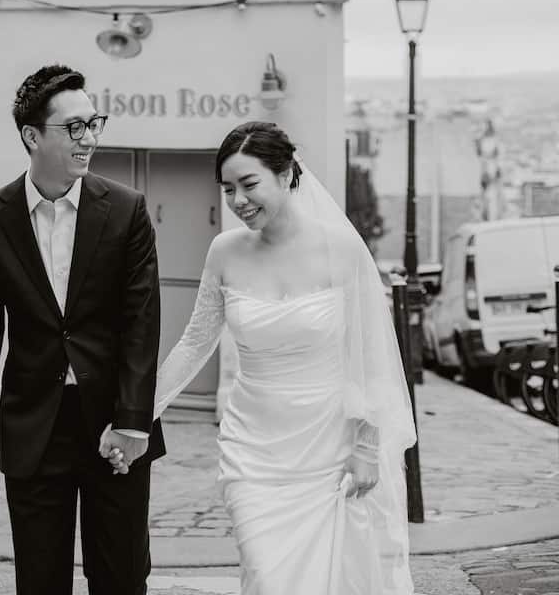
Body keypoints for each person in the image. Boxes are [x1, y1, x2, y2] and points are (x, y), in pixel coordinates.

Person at [105, 120, 416, 595]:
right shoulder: (224, 251)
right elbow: (194, 344)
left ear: (286, 174)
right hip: (253, 451)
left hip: (329, 448)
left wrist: (368, 447)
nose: (238, 200)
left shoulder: (343, 250)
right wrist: (136, 418)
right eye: (228, 188)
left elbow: (371, 354)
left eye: (249, 184)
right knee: (268, 576)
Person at [0, 64, 165, 595]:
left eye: (94, 123)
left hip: (114, 429)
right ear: (32, 136)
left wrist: (133, 422)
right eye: (74, 127)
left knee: (120, 578)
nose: (89, 137)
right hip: (34, 427)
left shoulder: (127, 210)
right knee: (40, 581)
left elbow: (142, 324)